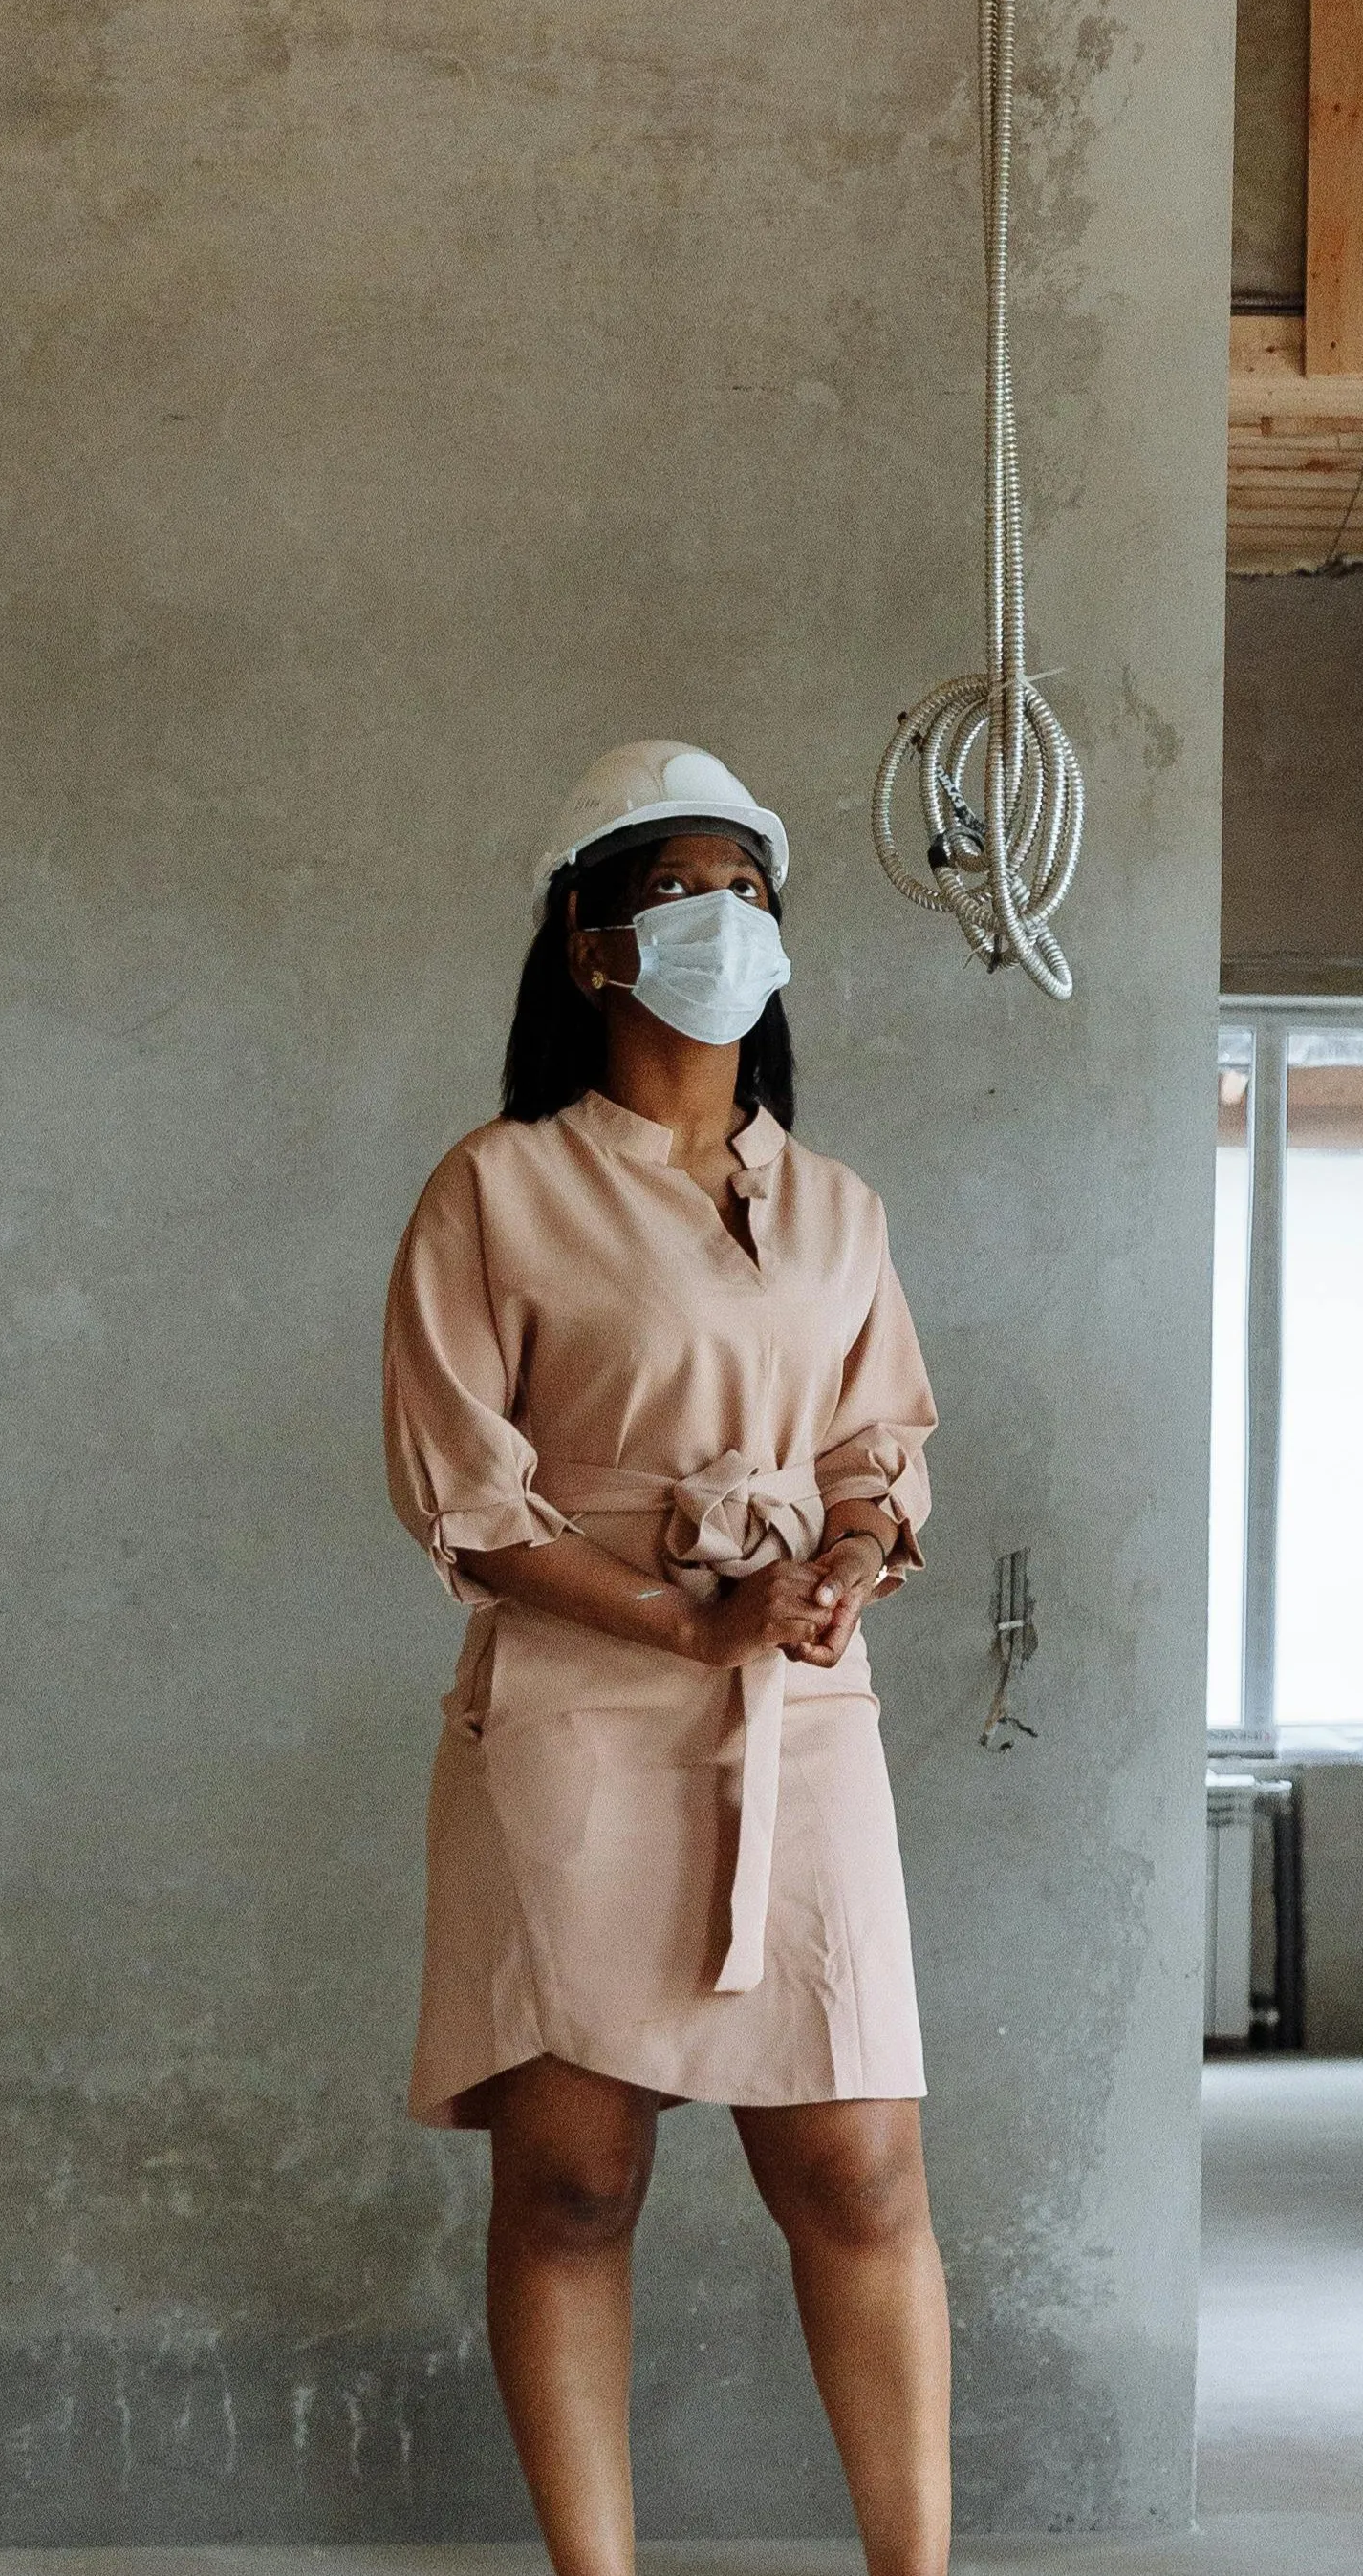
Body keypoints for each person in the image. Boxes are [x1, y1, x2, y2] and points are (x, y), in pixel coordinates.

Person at [382, 741, 950, 2576]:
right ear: (587, 943)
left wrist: (848, 1557)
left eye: (753, 894)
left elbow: (880, 1449)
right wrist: (676, 1616)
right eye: (680, 890)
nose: (726, 922)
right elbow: (468, 1497)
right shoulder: (498, 1188)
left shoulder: (842, 1207)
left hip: (798, 1701)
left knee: (862, 2170)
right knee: (571, 2180)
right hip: (579, 1708)